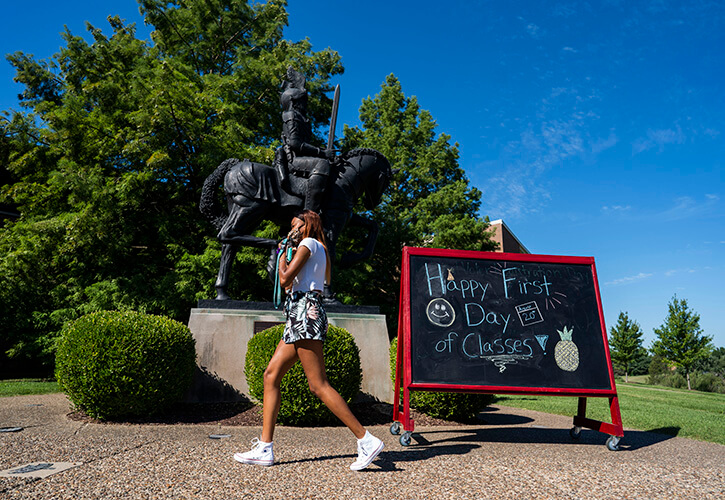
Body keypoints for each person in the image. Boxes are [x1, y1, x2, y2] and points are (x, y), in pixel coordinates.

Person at [233, 210, 384, 470]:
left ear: (308, 224)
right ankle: (265, 448)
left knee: (318, 385)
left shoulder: (308, 243)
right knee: (271, 375)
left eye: (296, 225)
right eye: (292, 226)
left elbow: (283, 279)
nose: (292, 229)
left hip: (305, 314)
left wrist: (281, 255)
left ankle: (366, 439)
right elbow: (302, 284)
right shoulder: (319, 248)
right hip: (300, 312)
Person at [274, 67, 333, 214]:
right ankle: (309, 213)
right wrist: (322, 153)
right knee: (322, 164)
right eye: (303, 101)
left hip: (302, 157)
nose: (305, 104)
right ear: (294, 102)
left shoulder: (301, 118)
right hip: (293, 160)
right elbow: (295, 143)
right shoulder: (292, 116)